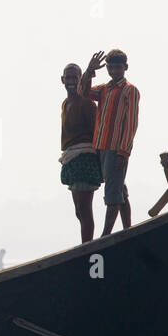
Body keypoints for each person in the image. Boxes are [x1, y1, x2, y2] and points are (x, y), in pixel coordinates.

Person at [80, 49, 140, 236]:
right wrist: (89, 70)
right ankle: (127, 228)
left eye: (118, 67)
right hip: (102, 146)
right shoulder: (105, 89)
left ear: (125, 68)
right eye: (111, 67)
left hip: (116, 148)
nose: (114, 70)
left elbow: (130, 124)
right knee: (118, 188)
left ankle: (106, 235)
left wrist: (124, 151)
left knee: (113, 194)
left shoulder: (129, 90)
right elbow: (83, 91)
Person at [59, 62, 101, 242]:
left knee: (84, 210)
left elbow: (97, 133)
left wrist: (100, 162)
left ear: (79, 79)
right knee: (79, 211)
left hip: (85, 158)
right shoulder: (66, 103)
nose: (70, 81)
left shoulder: (86, 103)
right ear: (62, 80)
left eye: (74, 77)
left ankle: (87, 247)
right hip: (71, 158)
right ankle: (86, 244)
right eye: (67, 77)